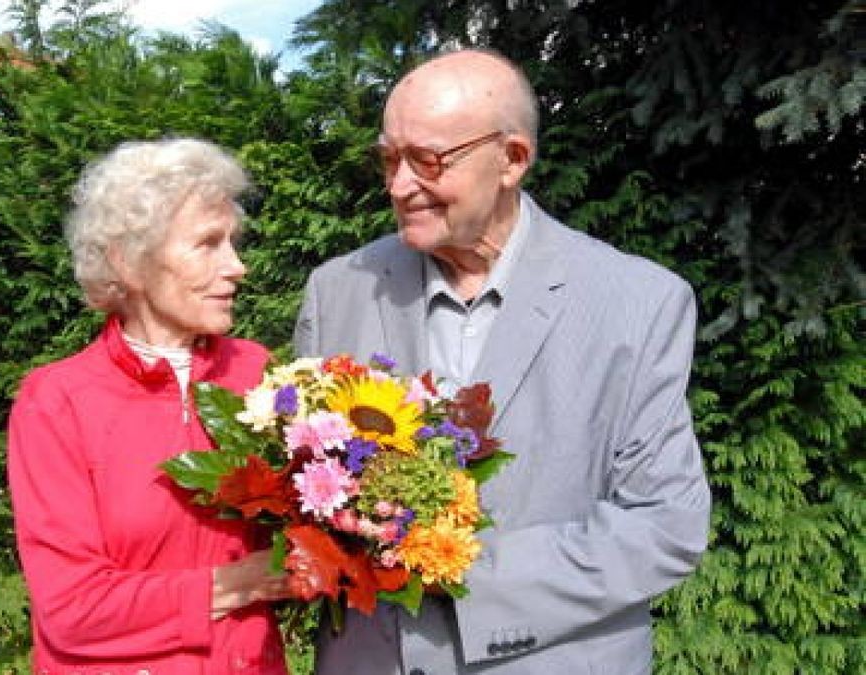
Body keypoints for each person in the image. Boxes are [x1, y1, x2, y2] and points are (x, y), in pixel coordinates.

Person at [294, 49, 711, 674]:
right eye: (388, 158)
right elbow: (304, 488)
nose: (398, 185)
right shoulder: (339, 289)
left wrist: (453, 571)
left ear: (512, 159)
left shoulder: (639, 303)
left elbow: (662, 527)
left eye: (427, 160)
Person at [8, 138, 292, 675]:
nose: (238, 267)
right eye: (208, 243)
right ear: (128, 262)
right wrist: (238, 583)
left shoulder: (255, 371)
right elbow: (72, 611)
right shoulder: (57, 403)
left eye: (233, 241)